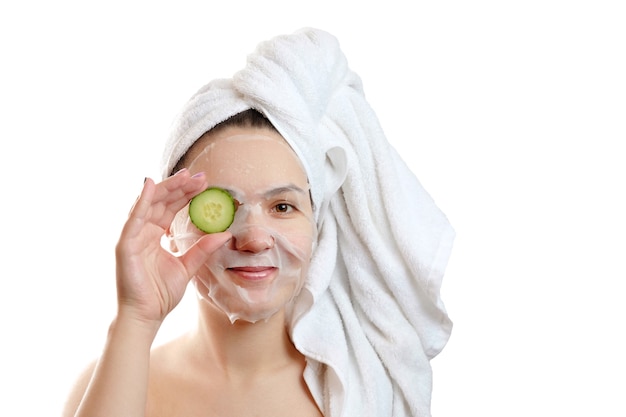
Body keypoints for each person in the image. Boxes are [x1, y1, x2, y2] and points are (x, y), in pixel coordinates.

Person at [62, 28, 455, 417]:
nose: (253, 239)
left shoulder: (363, 392)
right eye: (221, 208)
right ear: (170, 222)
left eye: (282, 207)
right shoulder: (116, 383)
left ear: (316, 226)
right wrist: (136, 317)